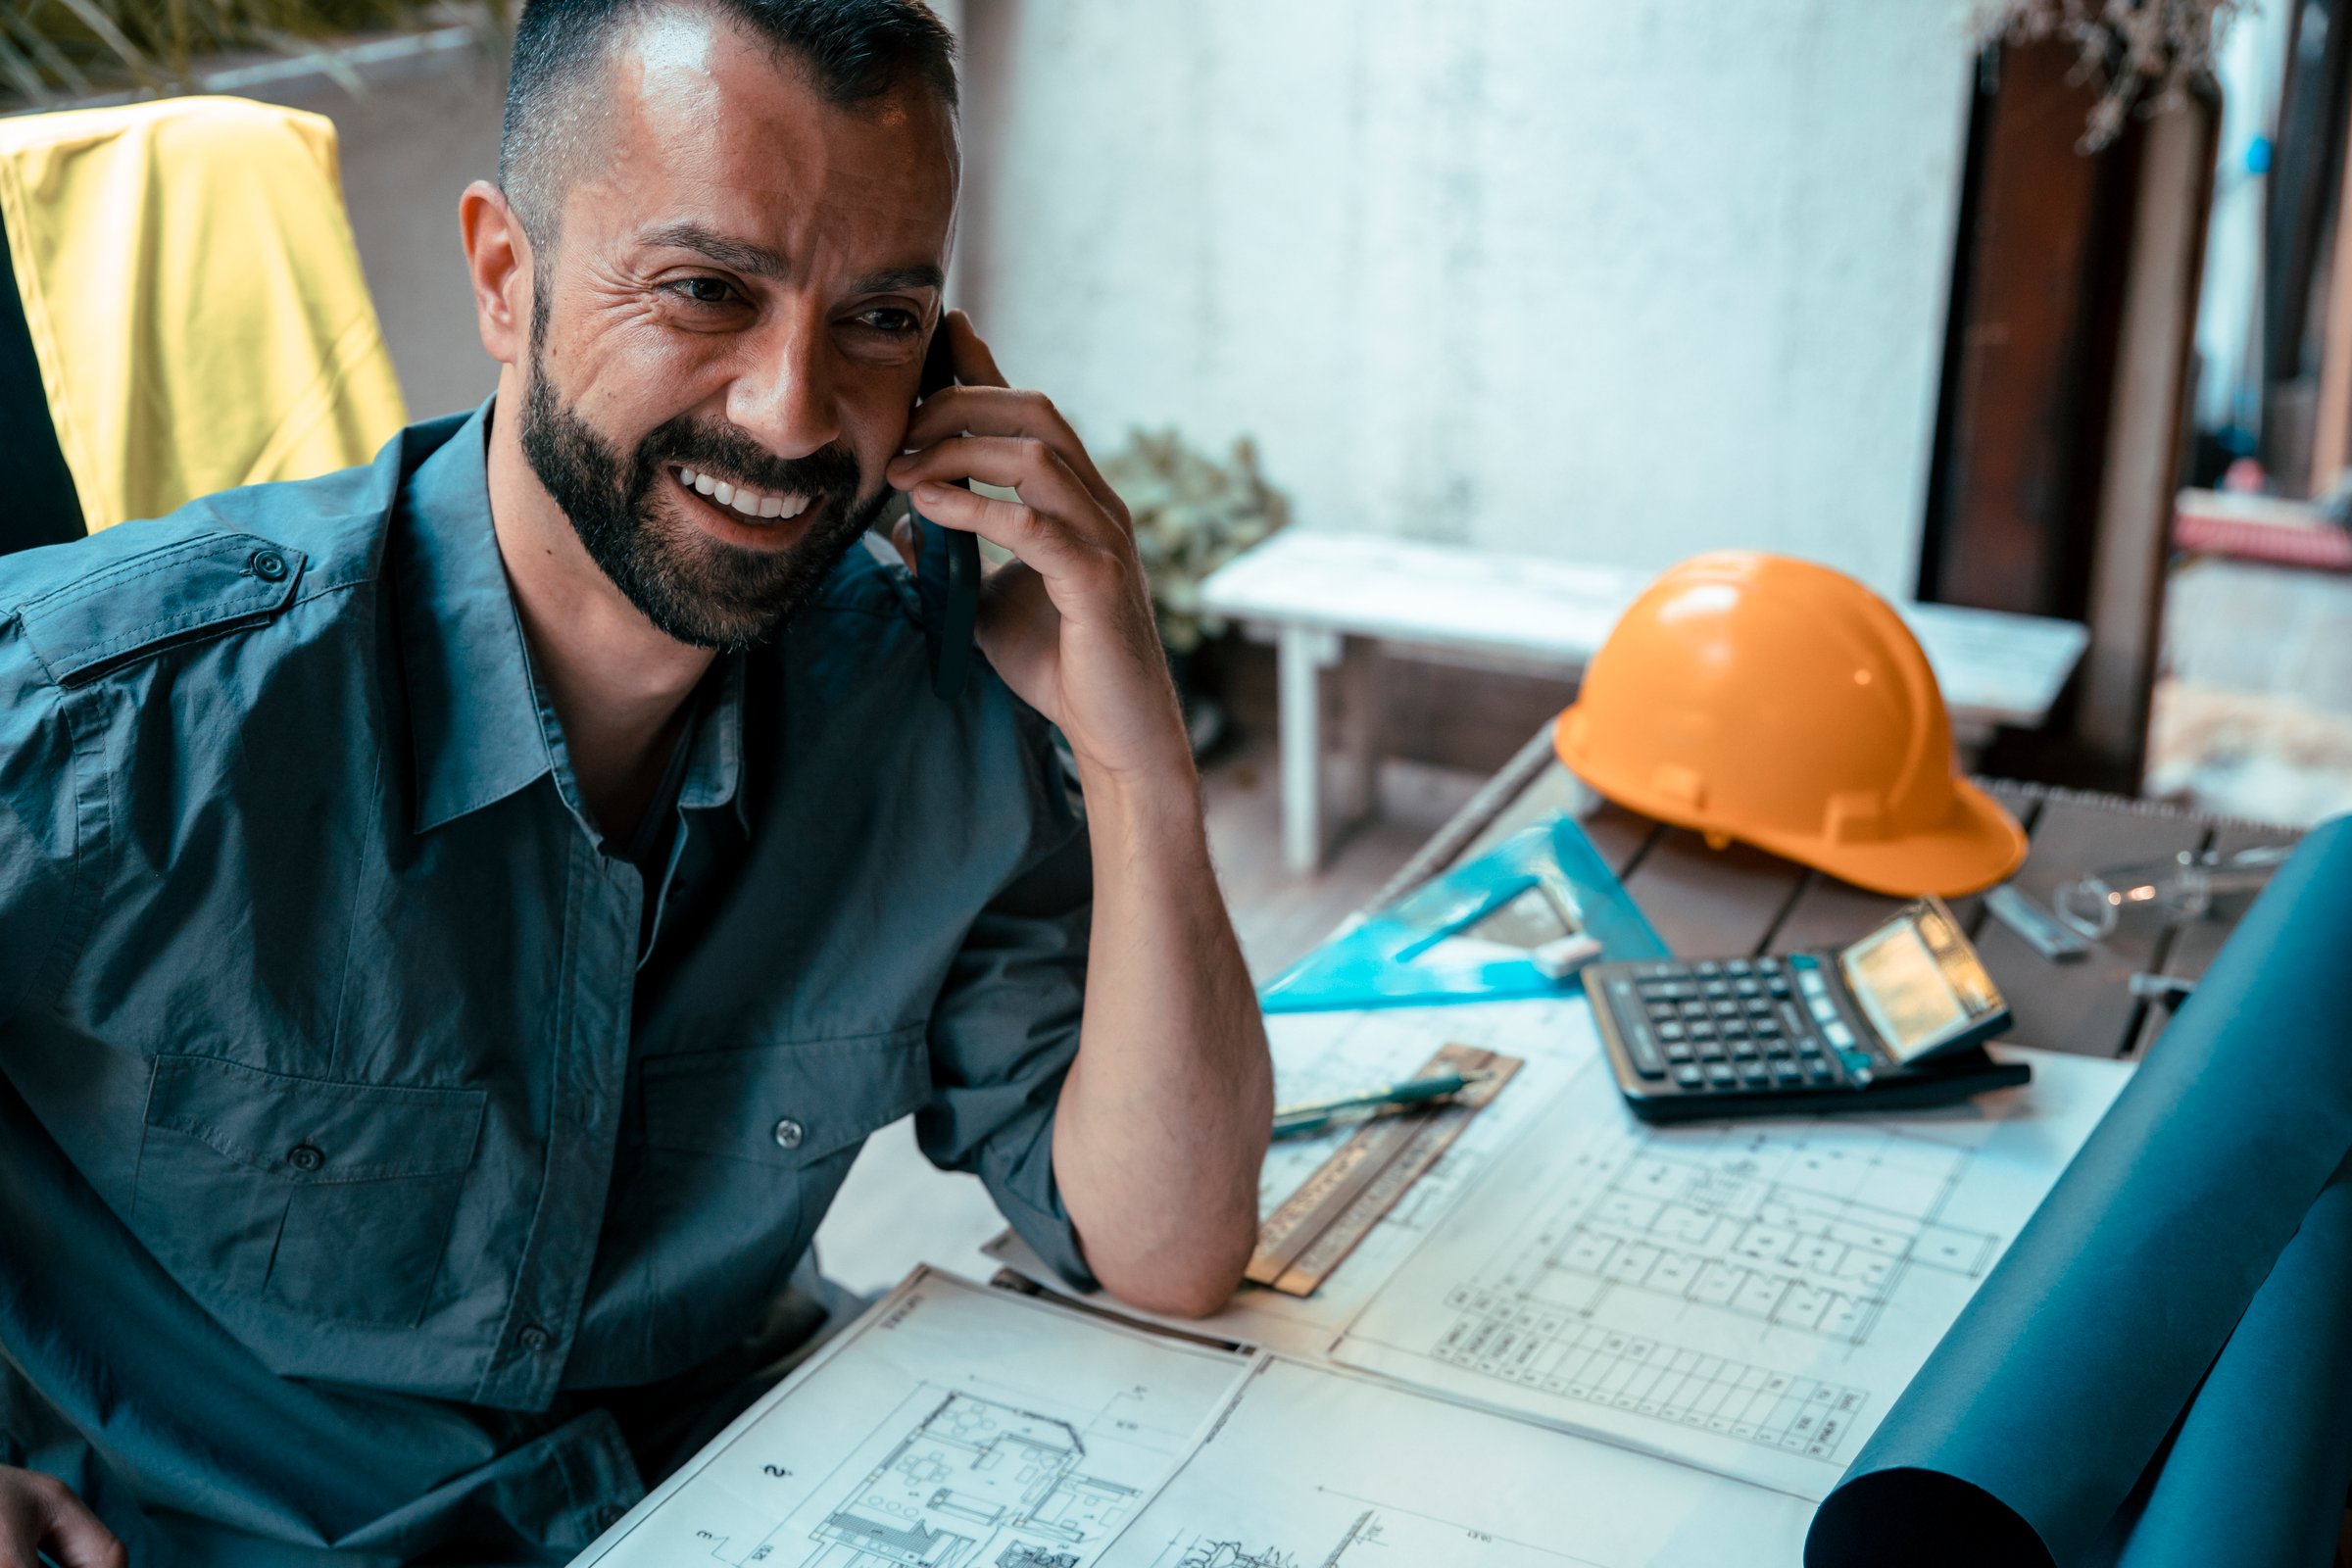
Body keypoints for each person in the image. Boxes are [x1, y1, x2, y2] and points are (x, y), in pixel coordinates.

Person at [0, 1, 1271, 1562]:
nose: (795, 412)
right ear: (505, 278)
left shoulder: (917, 697)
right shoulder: (118, 709)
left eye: (878, 319)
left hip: (743, 1498)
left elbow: (1167, 1248)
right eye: (706, 291)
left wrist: (1137, 754)